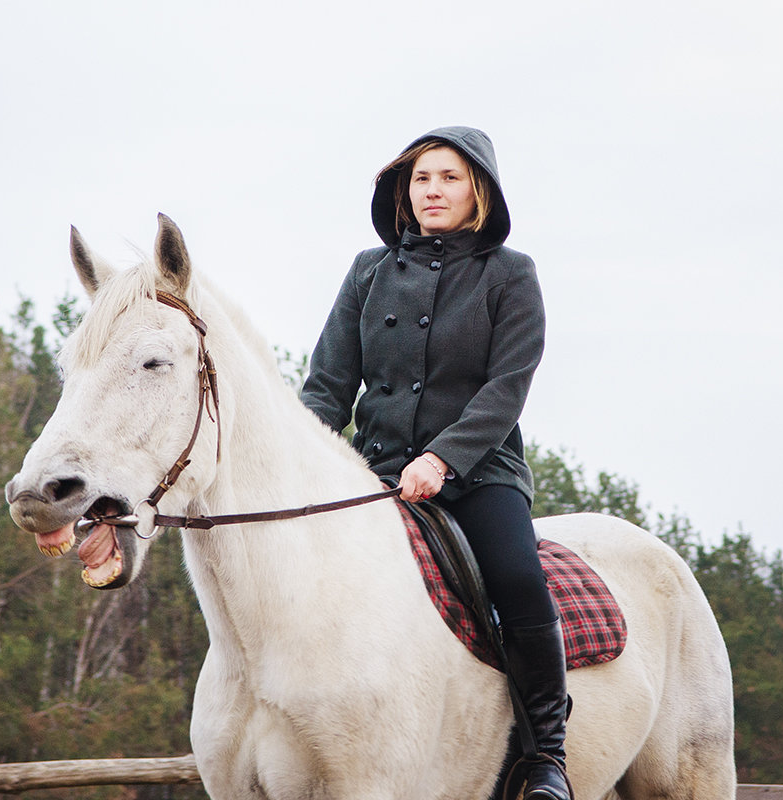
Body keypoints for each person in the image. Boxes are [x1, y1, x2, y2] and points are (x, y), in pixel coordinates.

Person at [299, 126, 570, 800]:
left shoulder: (511, 275)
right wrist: (299, 460)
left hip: (479, 476)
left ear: (478, 188)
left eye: (449, 177)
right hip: (376, 475)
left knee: (515, 575)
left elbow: (507, 387)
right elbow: (329, 386)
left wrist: (443, 459)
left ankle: (545, 758)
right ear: (405, 190)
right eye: (422, 179)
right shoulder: (368, 270)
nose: (433, 190)